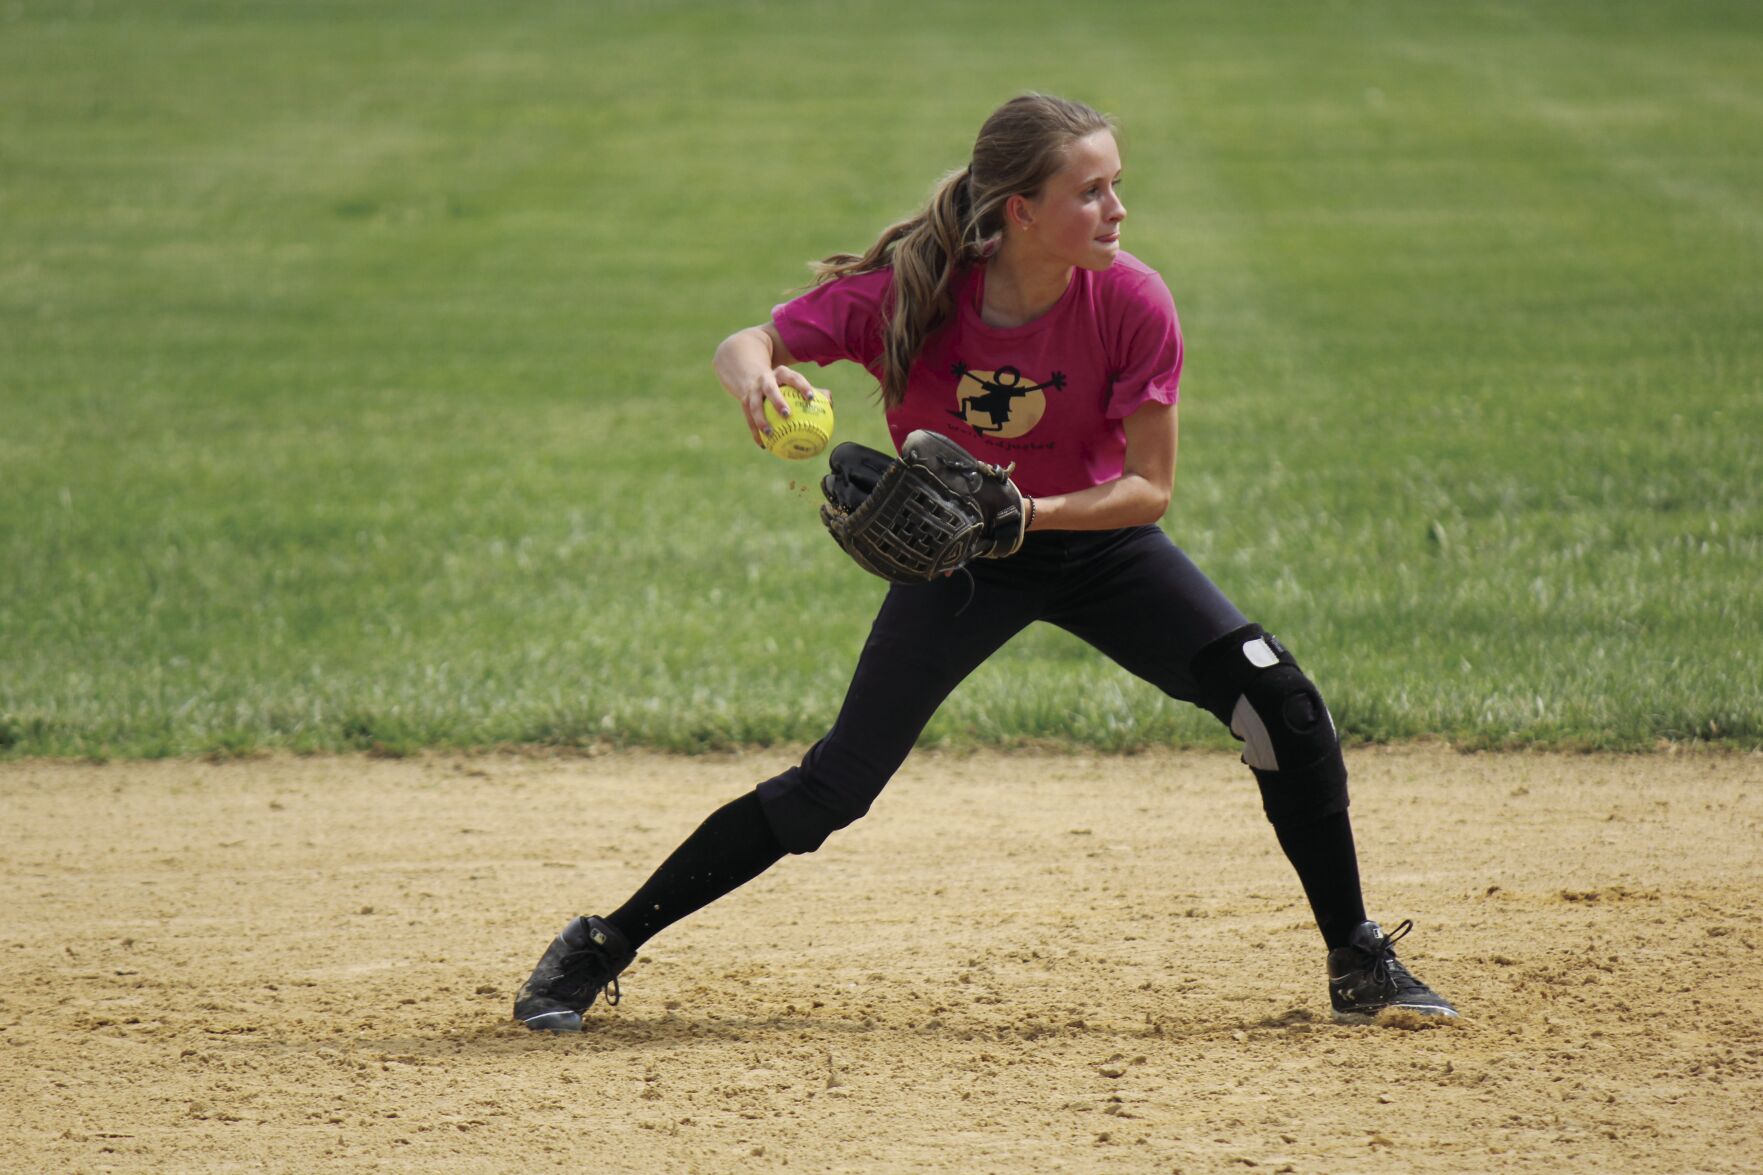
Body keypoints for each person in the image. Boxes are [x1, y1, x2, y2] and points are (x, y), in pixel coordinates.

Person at [513, 94, 1457, 1030]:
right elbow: (746, 339)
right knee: (832, 788)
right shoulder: (911, 295)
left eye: (1116, 185)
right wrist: (757, 379)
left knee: (1279, 703)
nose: (1117, 210)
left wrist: (1027, 512)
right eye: (1090, 191)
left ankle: (1357, 960)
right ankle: (598, 945)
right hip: (959, 564)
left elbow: (1147, 489)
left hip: (1098, 544)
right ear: (1020, 211)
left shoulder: (1131, 299)